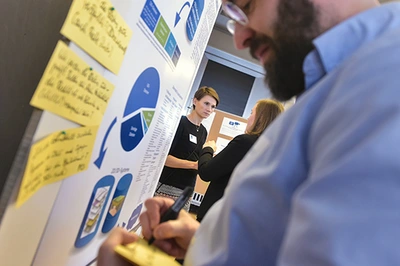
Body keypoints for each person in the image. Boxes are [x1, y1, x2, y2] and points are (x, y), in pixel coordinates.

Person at [99, 0, 400, 265]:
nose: (240, 39)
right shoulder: (328, 86)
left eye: (247, 5)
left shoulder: (383, 78)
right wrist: (207, 243)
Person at [196, 99, 284, 222]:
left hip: (217, 216)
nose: (248, 118)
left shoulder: (245, 142)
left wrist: (208, 149)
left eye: (252, 113)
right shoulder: (273, 150)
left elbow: (206, 172)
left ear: (261, 117)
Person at [155, 86, 219, 212]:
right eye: (206, 103)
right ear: (195, 101)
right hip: (168, 186)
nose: (209, 109)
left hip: (188, 189)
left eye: (213, 107)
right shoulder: (180, 123)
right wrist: (194, 165)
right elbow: (164, 158)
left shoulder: (203, 131)